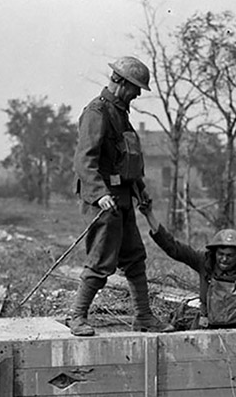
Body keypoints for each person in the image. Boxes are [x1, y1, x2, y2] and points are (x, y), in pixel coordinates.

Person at [68, 56, 175, 336]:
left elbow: (126, 161)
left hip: (123, 197)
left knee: (135, 258)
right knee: (101, 259)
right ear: (121, 83)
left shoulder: (121, 113)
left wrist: (140, 191)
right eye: (135, 87)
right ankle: (77, 317)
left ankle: (144, 317)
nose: (138, 93)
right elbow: (84, 161)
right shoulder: (97, 112)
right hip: (103, 201)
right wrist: (100, 193)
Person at [139, 202, 236, 329]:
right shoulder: (204, 261)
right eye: (220, 254)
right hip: (207, 326)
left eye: (229, 256)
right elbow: (174, 248)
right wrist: (149, 215)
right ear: (214, 252)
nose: (224, 259)